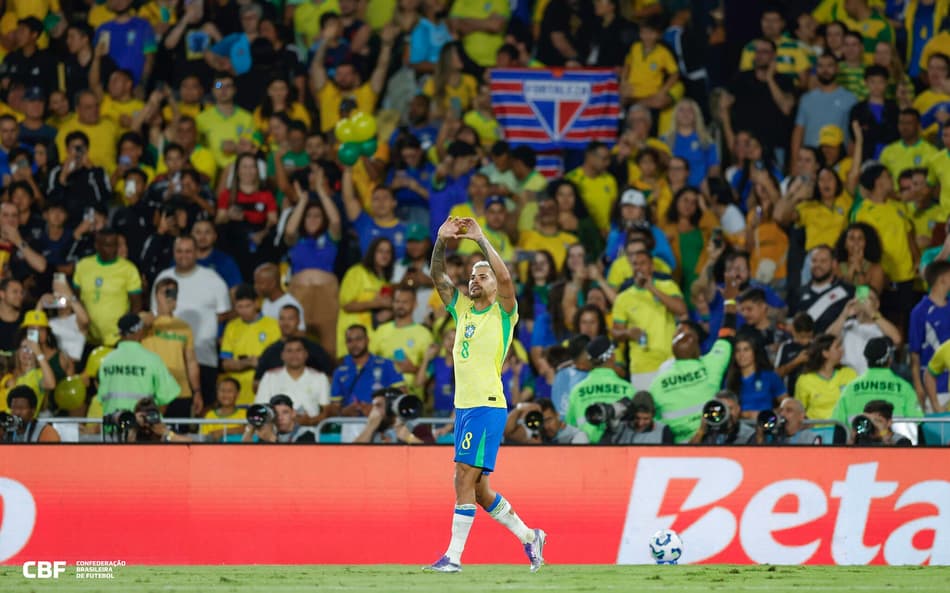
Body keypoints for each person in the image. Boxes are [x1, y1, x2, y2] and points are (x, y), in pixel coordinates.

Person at [425, 216, 545, 573]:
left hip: (487, 405)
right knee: (477, 490)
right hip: (464, 407)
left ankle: (453, 558)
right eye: (473, 275)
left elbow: (506, 278)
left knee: (464, 474)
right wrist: (442, 241)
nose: (475, 279)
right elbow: (438, 277)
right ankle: (529, 536)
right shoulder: (461, 308)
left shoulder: (504, 311)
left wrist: (479, 239)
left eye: (483, 274)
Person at [153, 236, 231, 408]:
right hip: (167, 361)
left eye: (188, 251)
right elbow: (155, 314)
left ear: (196, 253)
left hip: (204, 357)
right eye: (179, 251)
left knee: (202, 409)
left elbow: (224, 313)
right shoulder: (163, 278)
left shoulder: (213, 279)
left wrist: (204, 333)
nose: (183, 255)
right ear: (173, 253)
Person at [650, 306, 736, 444]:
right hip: (710, 440)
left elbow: (655, 420)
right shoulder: (709, 366)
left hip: (675, 449)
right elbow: (727, 336)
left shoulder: (657, 383)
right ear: (697, 348)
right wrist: (730, 301)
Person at [611, 247, 686, 390]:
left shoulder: (668, 286)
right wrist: (627, 333)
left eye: (642, 263)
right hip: (642, 367)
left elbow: (681, 309)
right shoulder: (623, 298)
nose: (638, 267)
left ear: (651, 266)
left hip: (671, 361)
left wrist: (652, 289)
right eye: (634, 264)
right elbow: (615, 333)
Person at [95, 313, 181, 416]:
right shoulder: (152, 360)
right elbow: (167, 395)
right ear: (139, 330)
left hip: (113, 426)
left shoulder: (107, 360)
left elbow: (102, 396)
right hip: (142, 428)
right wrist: (153, 421)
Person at [140, 277, 202, 418]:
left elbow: (191, 362)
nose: (169, 297)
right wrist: (159, 312)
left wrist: (197, 391)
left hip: (180, 390)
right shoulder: (147, 320)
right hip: (151, 389)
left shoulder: (184, 327)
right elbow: (140, 323)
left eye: (173, 293)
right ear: (156, 295)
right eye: (165, 293)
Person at [72, 228, 143, 347]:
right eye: (107, 245)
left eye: (115, 245)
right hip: (87, 337)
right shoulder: (83, 266)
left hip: (117, 339)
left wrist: (127, 333)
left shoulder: (129, 269)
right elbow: (76, 298)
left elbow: (136, 306)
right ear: (97, 246)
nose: (112, 249)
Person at [832, 337, 925, 426]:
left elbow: (837, 421)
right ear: (890, 359)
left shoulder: (850, 388)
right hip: (893, 440)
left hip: (859, 441)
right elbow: (917, 420)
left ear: (866, 359)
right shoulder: (904, 388)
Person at [564, 336, 634, 444]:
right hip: (619, 451)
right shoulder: (627, 389)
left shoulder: (577, 391)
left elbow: (570, 427)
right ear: (612, 357)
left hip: (587, 452)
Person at [220, 284, 281, 405]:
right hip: (238, 395)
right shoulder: (231, 327)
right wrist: (247, 362)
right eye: (240, 307)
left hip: (266, 391)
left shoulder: (273, 325)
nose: (244, 311)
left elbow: (278, 361)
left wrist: (261, 364)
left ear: (256, 304)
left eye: (248, 306)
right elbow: (226, 363)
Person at [254, 337, 331, 427]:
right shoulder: (270, 377)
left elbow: (327, 411)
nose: (294, 355)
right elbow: (260, 409)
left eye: (298, 350)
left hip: (310, 432)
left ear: (306, 354)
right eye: (289, 351)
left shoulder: (320, 377)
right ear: (282, 355)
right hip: (276, 433)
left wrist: (310, 421)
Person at [909, 261, 950, 414]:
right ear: (943, 279)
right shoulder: (919, 312)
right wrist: (919, 386)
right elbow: (914, 353)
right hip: (933, 386)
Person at [255, 304, 335, 381]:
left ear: (299, 321)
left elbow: (330, 378)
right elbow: (256, 383)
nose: (286, 323)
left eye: (290, 318)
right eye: (282, 319)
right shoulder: (270, 352)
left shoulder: (314, 349)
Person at [791, 245, 854, 333]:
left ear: (834, 264)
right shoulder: (798, 293)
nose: (817, 265)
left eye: (823, 261)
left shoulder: (848, 292)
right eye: (814, 261)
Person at [795, 334, 857, 420]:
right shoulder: (805, 380)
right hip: (816, 430)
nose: (841, 350)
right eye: (837, 347)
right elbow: (799, 411)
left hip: (844, 429)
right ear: (825, 353)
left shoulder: (849, 373)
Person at [353, 387, 426, 444]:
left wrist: (409, 438)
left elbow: (430, 458)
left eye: (378, 406)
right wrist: (369, 428)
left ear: (391, 407)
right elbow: (352, 456)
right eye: (373, 406)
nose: (374, 412)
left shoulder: (417, 428)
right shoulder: (371, 430)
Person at [600, 390, 674, 444]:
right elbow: (602, 451)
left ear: (653, 415)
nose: (641, 423)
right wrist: (610, 429)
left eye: (646, 419)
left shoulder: (663, 431)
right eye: (637, 418)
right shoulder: (620, 428)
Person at [504, 398, 589, 444]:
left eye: (549, 420)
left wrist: (543, 449)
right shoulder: (536, 433)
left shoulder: (576, 435)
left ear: (557, 415)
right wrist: (520, 408)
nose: (546, 426)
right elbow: (506, 431)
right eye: (542, 421)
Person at [241, 394, 316, 443]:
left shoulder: (306, 435)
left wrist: (272, 439)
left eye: (285, 412)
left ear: (293, 413)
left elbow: (295, 461)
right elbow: (247, 455)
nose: (280, 417)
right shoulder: (268, 433)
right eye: (276, 414)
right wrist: (250, 428)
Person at [689, 390, 754, 445]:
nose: (726, 414)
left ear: (738, 409)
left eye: (730, 408)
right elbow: (688, 454)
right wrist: (701, 431)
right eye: (721, 409)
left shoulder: (749, 434)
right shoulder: (709, 432)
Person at [752, 397, 819, 445]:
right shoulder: (771, 435)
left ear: (801, 416)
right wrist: (760, 437)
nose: (782, 414)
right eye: (780, 410)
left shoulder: (811, 438)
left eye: (789, 410)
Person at [200, 378, 246, 442]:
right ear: (217, 393)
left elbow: (250, 430)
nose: (225, 394)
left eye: (230, 391)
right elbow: (205, 439)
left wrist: (222, 432)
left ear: (238, 394)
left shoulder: (245, 414)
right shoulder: (210, 415)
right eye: (222, 390)